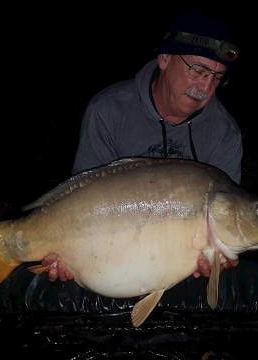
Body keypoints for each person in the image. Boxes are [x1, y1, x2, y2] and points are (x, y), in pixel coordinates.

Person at [43, 9, 241, 282]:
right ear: (164, 58)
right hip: (110, 257)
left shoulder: (223, 134)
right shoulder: (109, 110)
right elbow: (81, 196)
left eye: (217, 77)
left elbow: (223, 226)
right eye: (198, 70)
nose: (205, 87)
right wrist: (66, 254)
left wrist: (219, 258)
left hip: (178, 270)